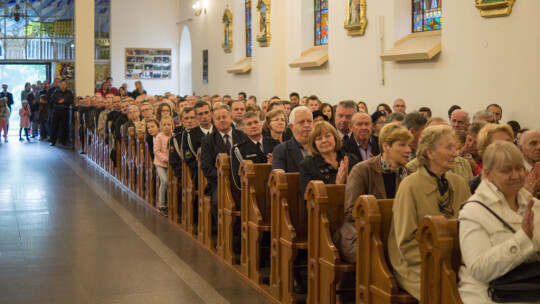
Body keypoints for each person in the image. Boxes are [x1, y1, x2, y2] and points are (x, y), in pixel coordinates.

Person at [388, 125, 471, 300]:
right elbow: (405, 242)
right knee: (444, 292)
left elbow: (470, 226)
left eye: (455, 148)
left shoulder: (459, 183)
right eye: (449, 148)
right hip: (417, 263)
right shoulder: (410, 186)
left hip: (453, 259)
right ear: (430, 153)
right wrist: (440, 263)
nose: (456, 153)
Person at [458, 141, 540, 303]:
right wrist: (522, 239)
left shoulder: (534, 205)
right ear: (488, 174)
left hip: (531, 286)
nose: (516, 175)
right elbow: (479, 269)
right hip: (490, 292)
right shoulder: (474, 210)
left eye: (518, 168)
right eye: (506, 170)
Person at [334, 123, 413, 263]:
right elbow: (351, 210)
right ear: (385, 146)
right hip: (363, 232)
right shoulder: (363, 170)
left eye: (408, 145)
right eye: (402, 145)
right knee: (378, 251)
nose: (408, 150)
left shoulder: (409, 175)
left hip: (397, 233)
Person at [201, 104, 246, 237]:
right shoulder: (208, 140)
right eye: (218, 118)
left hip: (241, 181)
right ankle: (223, 236)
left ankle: (241, 236)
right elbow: (207, 167)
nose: (222, 120)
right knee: (218, 201)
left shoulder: (242, 135)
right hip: (218, 182)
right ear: (214, 121)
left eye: (224, 117)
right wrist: (225, 178)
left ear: (230, 118)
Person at [299, 121, 357, 196]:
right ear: (314, 144)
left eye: (327, 136)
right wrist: (336, 183)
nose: (324, 141)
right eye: (319, 138)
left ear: (335, 138)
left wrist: (348, 180)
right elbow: (308, 199)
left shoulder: (352, 159)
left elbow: (362, 189)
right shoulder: (307, 165)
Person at [231, 111, 280, 186]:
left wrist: (276, 163)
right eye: (249, 124)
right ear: (243, 129)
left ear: (261, 124)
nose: (253, 126)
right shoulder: (238, 149)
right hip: (252, 189)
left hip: (275, 185)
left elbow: (285, 170)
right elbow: (239, 180)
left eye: (256, 122)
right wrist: (266, 167)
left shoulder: (275, 144)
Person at [468, 123, 514, 193]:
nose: (507, 147)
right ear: (485, 150)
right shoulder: (474, 186)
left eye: (508, 142)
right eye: (499, 144)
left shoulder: (521, 176)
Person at [272, 106, 314, 172]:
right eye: (301, 122)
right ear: (292, 127)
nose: (306, 125)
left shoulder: (320, 147)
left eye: (309, 121)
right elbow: (279, 180)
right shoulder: (281, 150)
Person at [154, 116, 174, 216]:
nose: (166, 127)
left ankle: (170, 204)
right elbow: (156, 151)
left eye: (169, 124)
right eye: (164, 125)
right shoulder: (159, 136)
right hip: (160, 164)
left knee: (170, 182)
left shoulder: (174, 136)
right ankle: (161, 204)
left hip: (171, 164)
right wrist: (165, 159)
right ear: (161, 126)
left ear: (172, 125)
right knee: (165, 180)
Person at [49, 79, 74, 146]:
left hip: (65, 111)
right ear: (60, 85)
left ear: (66, 85)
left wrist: (64, 101)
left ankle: (64, 141)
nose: (63, 86)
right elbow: (51, 100)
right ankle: (53, 141)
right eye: (62, 85)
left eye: (64, 85)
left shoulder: (69, 92)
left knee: (65, 127)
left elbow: (71, 100)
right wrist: (58, 101)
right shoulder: (56, 92)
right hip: (56, 111)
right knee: (54, 127)